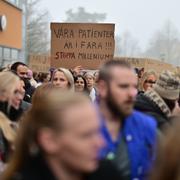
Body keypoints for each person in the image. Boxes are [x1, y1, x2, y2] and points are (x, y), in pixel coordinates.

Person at [2, 84, 121, 180]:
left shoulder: (107, 173)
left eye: (97, 132)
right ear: (49, 140)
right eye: (86, 135)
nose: (101, 143)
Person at [96, 60, 157, 180]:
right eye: (123, 86)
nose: (132, 93)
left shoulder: (146, 126)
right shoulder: (80, 124)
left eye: (134, 87)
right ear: (102, 88)